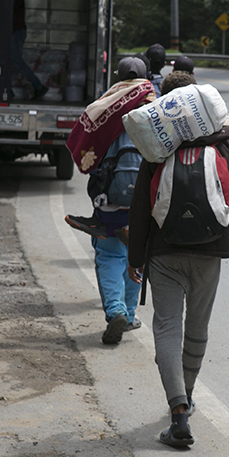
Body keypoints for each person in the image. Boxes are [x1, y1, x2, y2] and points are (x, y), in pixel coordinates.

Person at [127, 71, 229, 447]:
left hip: (165, 249)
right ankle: (187, 394)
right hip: (211, 247)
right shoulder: (223, 137)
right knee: (197, 329)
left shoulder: (156, 141)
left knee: (167, 328)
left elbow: (140, 206)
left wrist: (135, 257)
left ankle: (178, 411)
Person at [66, 57, 155, 344]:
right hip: (142, 206)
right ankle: (128, 315)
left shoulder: (104, 108)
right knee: (135, 258)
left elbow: (86, 158)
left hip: (109, 205)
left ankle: (115, 310)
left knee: (110, 257)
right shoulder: (155, 110)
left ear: (117, 76)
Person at [12, 0, 48, 101]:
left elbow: (9, 9)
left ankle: (38, 86)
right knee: (7, 60)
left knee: (16, 60)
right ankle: (7, 90)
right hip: (14, 31)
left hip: (15, 31)